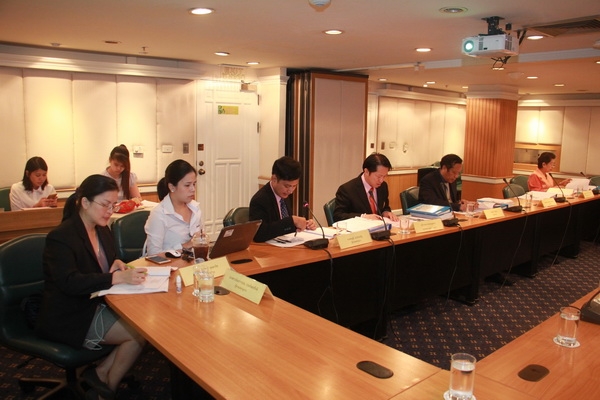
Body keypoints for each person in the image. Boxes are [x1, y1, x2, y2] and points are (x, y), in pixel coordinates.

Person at [35, 174, 147, 400]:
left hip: (96, 302)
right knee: (137, 335)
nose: (110, 211)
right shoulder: (61, 237)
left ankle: (100, 376)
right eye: (105, 204)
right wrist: (114, 279)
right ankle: (105, 390)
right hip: (69, 313)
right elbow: (70, 282)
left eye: (113, 205)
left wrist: (115, 263)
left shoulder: (102, 229)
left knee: (142, 325)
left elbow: (103, 265)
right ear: (85, 202)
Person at [249, 156, 317, 242]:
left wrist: (304, 224)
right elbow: (259, 234)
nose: (291, 191)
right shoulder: (260, 200)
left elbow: (283, 226)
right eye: (287, 186)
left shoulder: (283, 194)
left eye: (294, 186)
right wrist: (291, 221)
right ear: (274, 179)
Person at [144, 160, 202, 255]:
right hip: (170, 263)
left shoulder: (195, 208)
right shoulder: (159, 214)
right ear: (172, 187)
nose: (193, 189)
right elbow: (153, 255)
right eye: (187, 185)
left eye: (194, 184)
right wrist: (184, 246)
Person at [333, 153, 399, 222]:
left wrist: (386, 212)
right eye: (379, 176)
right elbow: (338, 216)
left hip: (379, 226)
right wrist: (363, 217)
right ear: (366, 171)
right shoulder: (347, 189)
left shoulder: (383, 186)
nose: (381, 180)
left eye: (384, 176)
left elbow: (385, 207)